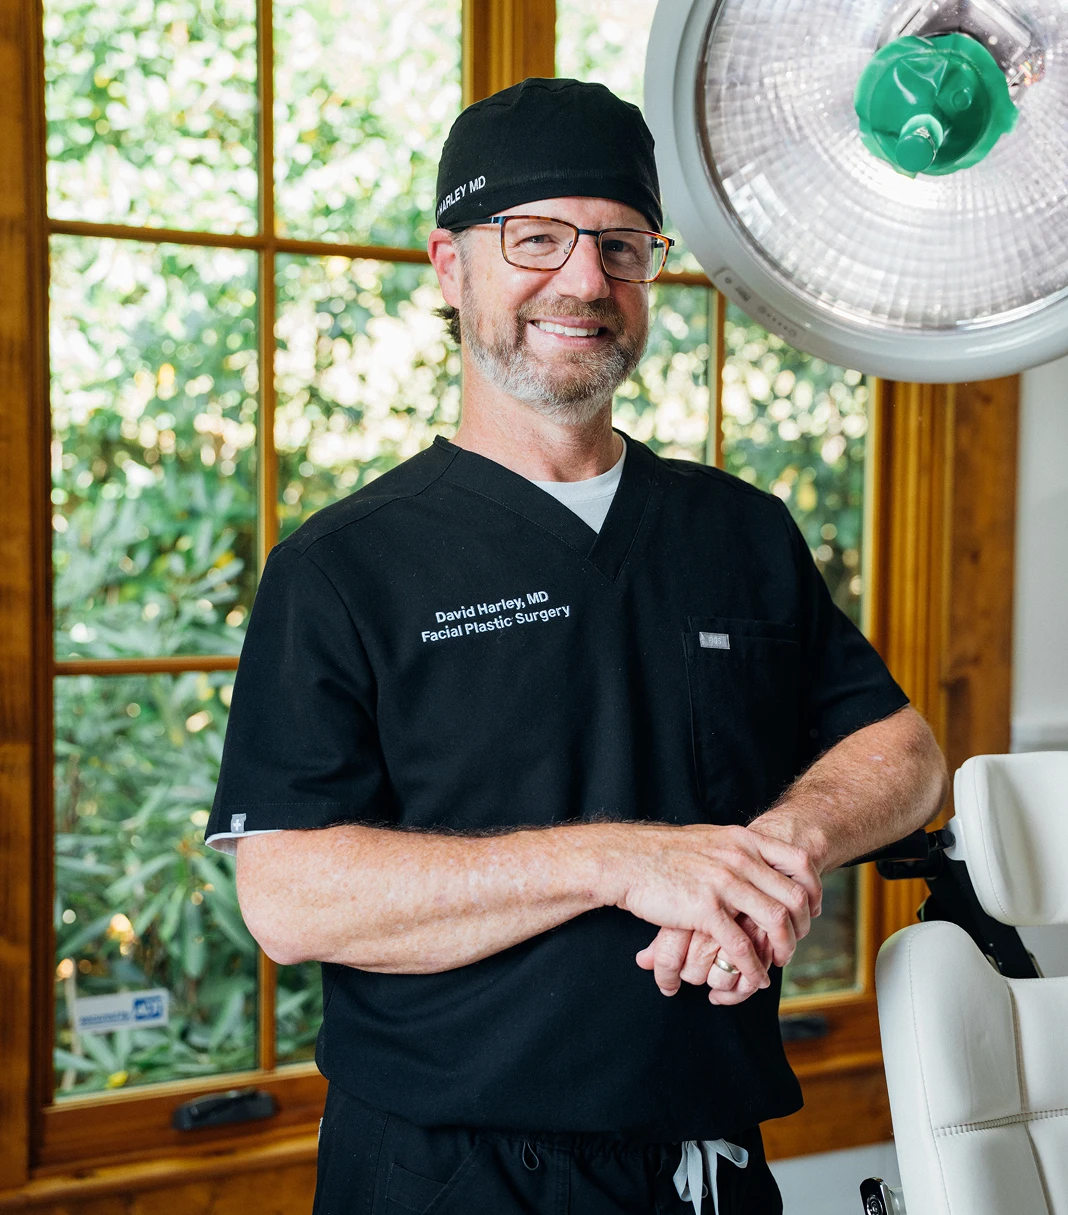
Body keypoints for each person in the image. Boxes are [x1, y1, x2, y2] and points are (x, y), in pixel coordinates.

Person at [204, 78, 948, 1215]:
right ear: (451, 269)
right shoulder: (344, 567)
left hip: (713, 1165)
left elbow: (902, 753)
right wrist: (623, 859)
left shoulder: (738, 529)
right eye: (536, 239)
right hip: (451, 1175)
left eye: (620, 244)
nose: (585, 281)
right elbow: (290, 898)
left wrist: (779, 850)